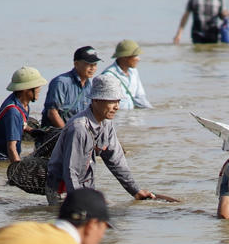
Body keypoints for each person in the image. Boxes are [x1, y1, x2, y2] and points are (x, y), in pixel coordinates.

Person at [45, 75, 163, 205]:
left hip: (86, 186)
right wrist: (78, 204)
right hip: (64, 189)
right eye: (112, 101)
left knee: (111, 211)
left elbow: (116, 160)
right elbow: (71, 171)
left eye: (118, 101)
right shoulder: (79, 128)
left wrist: (135, 190)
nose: (117, 106)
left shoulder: (106, 123)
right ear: (95, 100)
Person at [0, 67, 47, 162]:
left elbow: (20, 123)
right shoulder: (13, 111)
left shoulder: (23, 104)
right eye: (37, 86)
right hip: (0, 159)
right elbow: (11, 148)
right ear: (26, 89)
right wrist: (18, 170)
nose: (40, 89)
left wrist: (31, 131)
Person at [43, 46, 100, 130]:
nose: (93, 68)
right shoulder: (61, 82)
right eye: (89, 64)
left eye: (95, 64)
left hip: (78, 133)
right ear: (76, 64)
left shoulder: (89, 85)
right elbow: (52, 113)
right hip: (57, 135)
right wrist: (67, 133)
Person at [100, 40, 153, 110]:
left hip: (133, 117)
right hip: (117, 118)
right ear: (124, 57)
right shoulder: (108, 76)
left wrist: (152, 111)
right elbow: (105, 105)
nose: (138, 59)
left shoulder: (134, 72)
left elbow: (140, 97)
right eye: (135, 56)